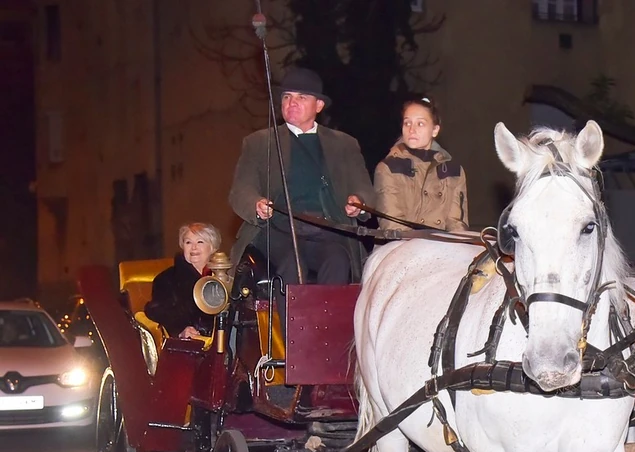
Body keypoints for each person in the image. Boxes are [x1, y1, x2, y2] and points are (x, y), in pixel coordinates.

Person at [228, 67, 374, 286]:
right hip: (278, 230)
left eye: (301, 97)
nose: (291, 103)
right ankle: (292, 322)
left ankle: (327, 322)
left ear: (319, 106)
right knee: (292, 265)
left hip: (327, 229)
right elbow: (240, 190)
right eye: (287, 97)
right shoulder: (259, 143)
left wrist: (359, 202)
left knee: (337, 261)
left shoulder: (344, 144)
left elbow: (365, 190)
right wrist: (256, 204)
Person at [373, 96, 469, 232]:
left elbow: (455, 222)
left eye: (420, 124)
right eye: (407, 123)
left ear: (435, 130)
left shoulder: (454, 171)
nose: (411, 130)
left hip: (442, 245)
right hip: (400, 244)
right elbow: (392, 224)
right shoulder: (388, 167)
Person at [144, 222, 219, 339]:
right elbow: (157, 311)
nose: (194, 247)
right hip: (190, 343)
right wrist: (180, 329)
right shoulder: (166, 279)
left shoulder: (223, 277)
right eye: (188, 242)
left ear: (213, 247)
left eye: (200, 242)